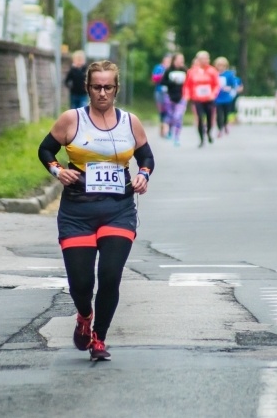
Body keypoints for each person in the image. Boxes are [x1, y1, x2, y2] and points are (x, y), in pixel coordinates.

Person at [38, 60, 155, 361]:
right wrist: (57, 170)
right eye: (96, 87)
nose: (102, 93)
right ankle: (84, 315)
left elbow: (146, 157)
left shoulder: (130, 122)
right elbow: (45, 149)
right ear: (87, 88)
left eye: (108, 87)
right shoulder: (72, 119)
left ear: (116, 89)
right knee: (81, 283)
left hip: (118, 209)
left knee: (110, 275)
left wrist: (143, 175)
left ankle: (99, 338)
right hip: (77, 211)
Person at [184, 50, 220, 147]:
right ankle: (201, 139)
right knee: (200, 118)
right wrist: (187, 95)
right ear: (198, 60)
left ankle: (208, 132)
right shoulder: (192, 71)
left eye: (206, 59)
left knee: (209, 118)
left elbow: (217, 85)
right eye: (202, 59)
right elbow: (187, 85)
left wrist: (213, 94)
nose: (204, 61)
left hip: (209, 99)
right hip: (197, 99)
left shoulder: (212, 71)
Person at [161, 52, 188, 146]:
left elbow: (189, 82)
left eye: (182, 59)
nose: (181, 61)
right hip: (170, 96)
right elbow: (163, 82)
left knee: (178, 116)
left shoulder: (185, 70)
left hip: (182, 96)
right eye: (179, 59)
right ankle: (170, 129)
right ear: (174, 60)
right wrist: (173, 82)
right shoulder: (169, 70)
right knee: (171, 116)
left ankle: (176, 137)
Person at [213, 57, 240, 137]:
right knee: (219, 114)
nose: (221, 67)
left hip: (226, 98)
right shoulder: (214, 74)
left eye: (223, 65)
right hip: (217, 97)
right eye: (219, 65)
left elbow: (234, 84)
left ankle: (225, 124)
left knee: (225, 113)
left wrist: (229, 88)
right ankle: (219, 128)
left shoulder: (229, 74)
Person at [152, 53, 172, 137]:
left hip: (169, 92)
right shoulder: (159, 68)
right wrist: (163, 75)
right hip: (159, 91)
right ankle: (162, 128)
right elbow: (154, 78)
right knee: (162, 111)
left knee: (169, 111)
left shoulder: (172, 69)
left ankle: (168, 130)